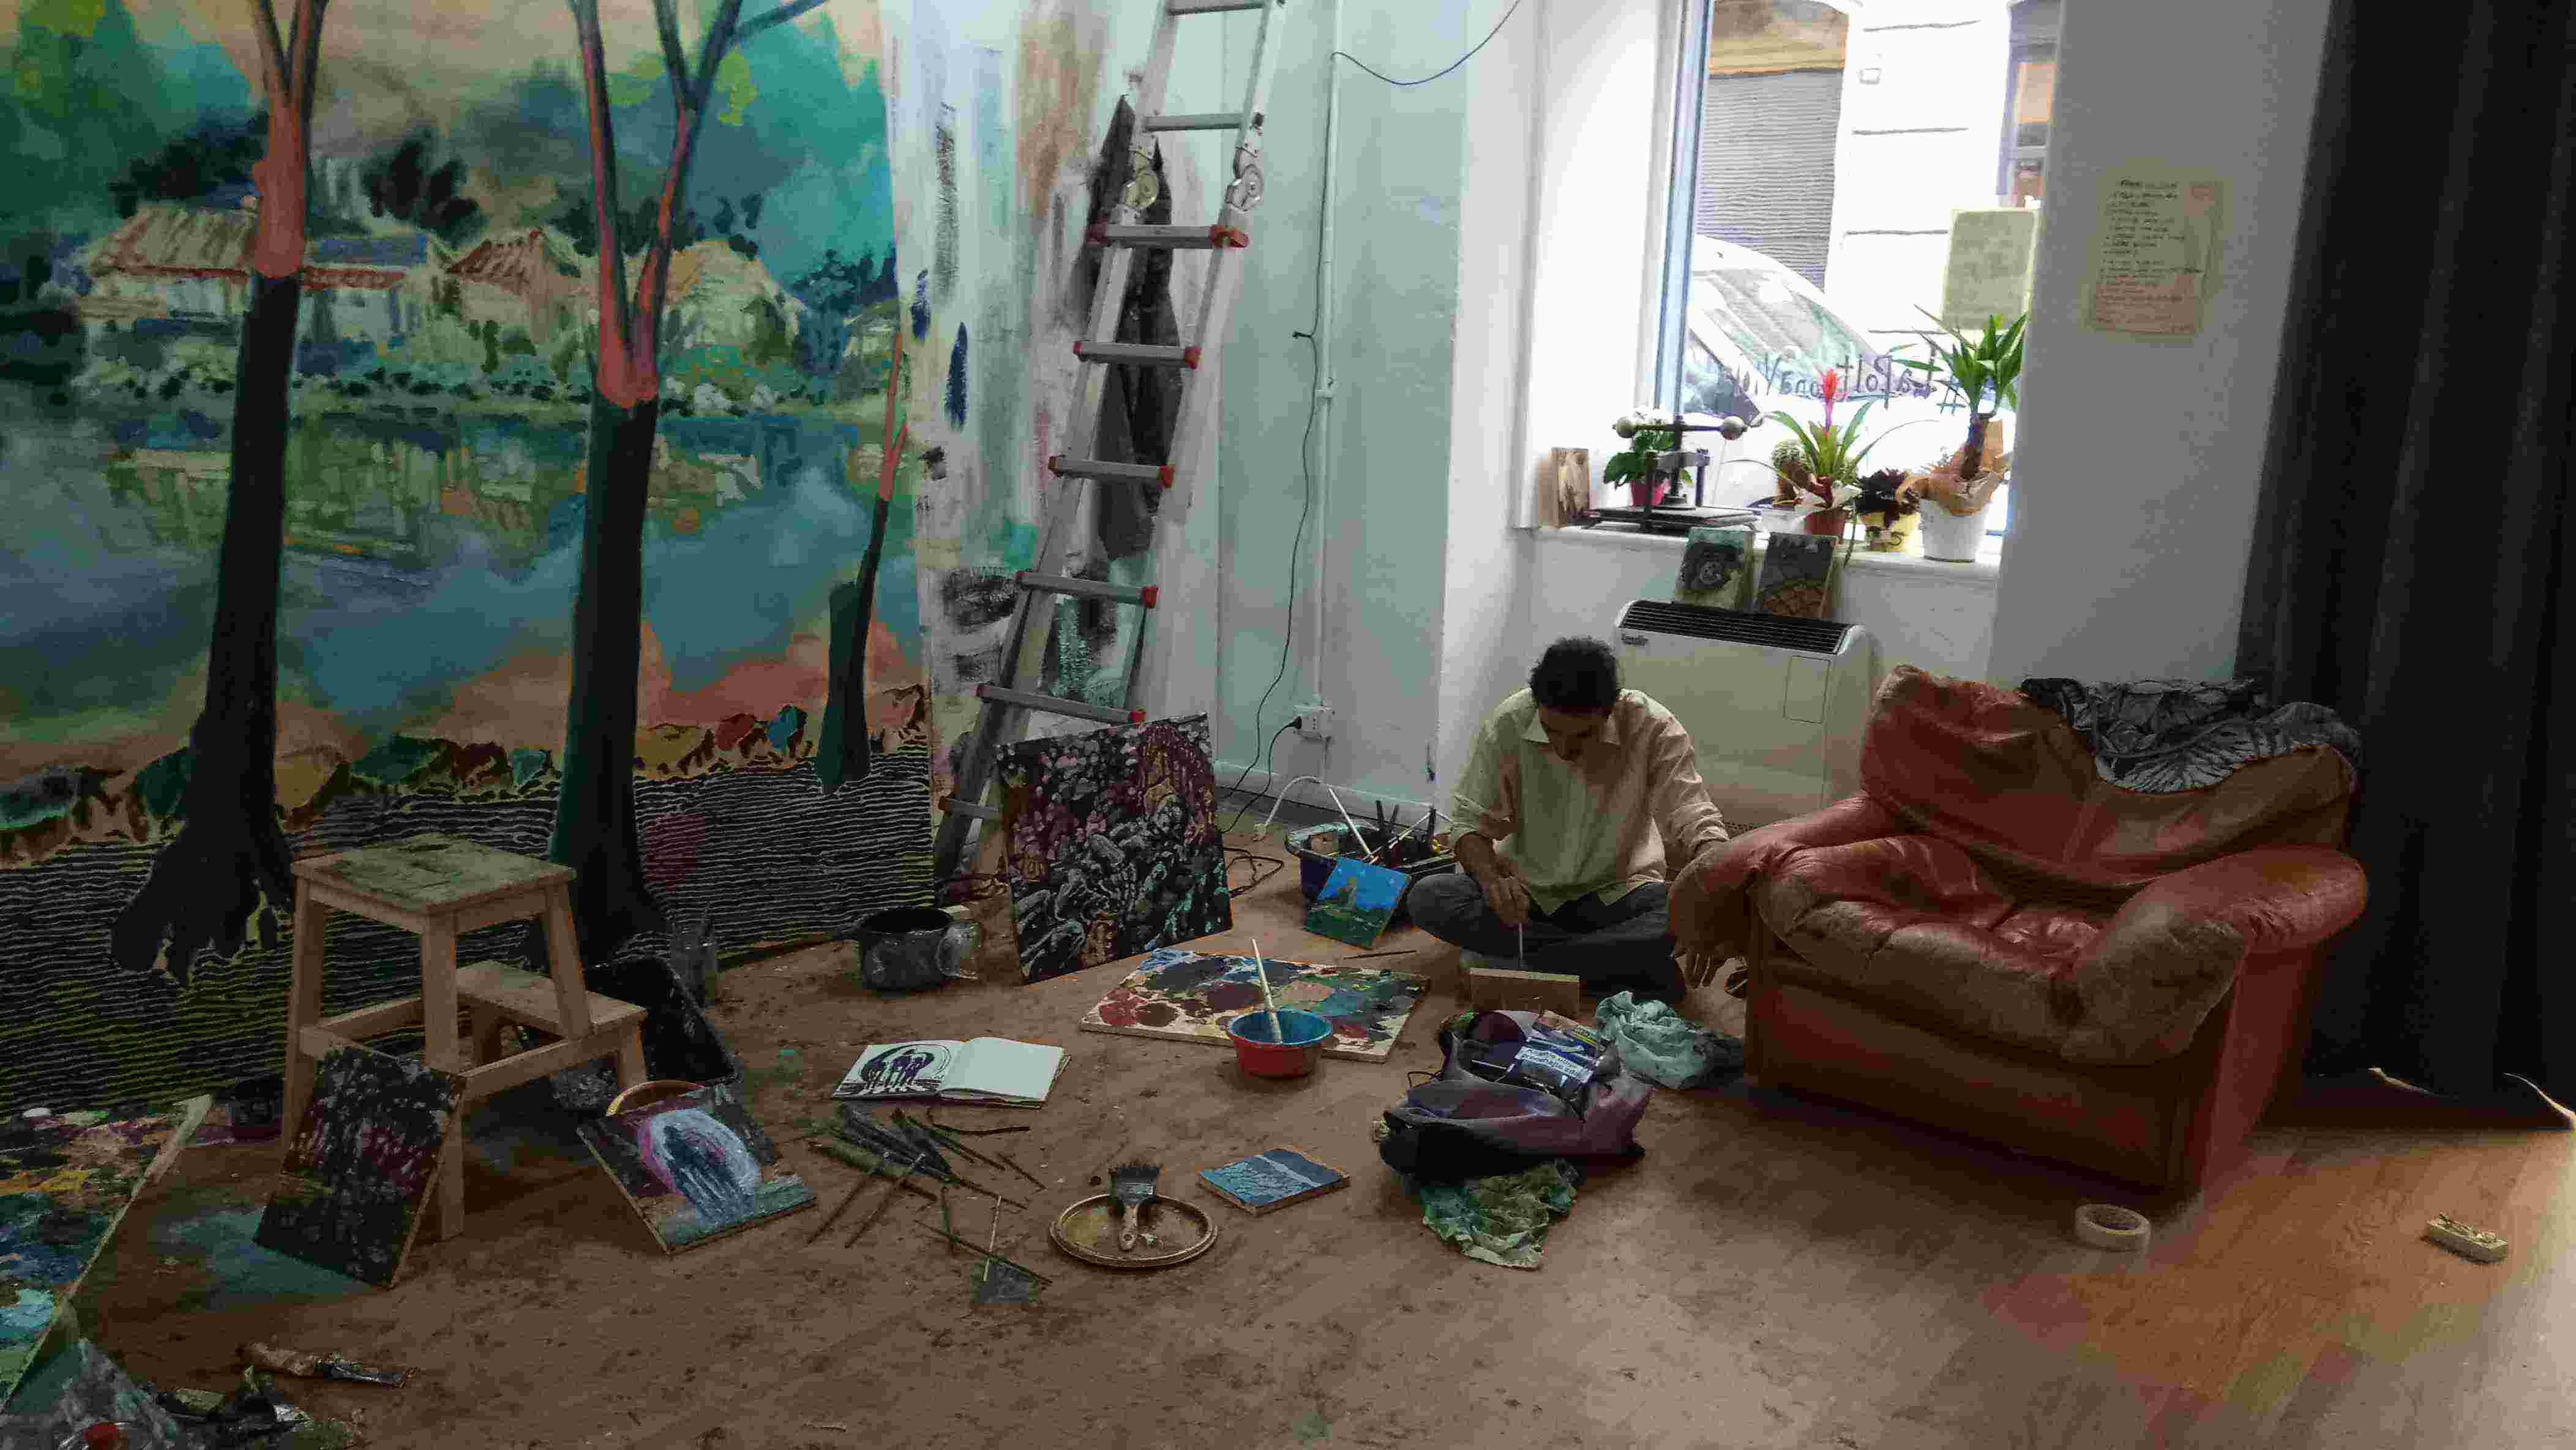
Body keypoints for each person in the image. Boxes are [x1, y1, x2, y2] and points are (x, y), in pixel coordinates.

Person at [1409, 636, 1732, 1004]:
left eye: (1583, 735)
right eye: (1551, 732)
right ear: (1537, 706)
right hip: (1527, 897)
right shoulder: (1510, 721)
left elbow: (1691, 811)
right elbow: (1469, 821)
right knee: (1428, 897)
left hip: (1620, 894)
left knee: (1678, 917)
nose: (1564, 749)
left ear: (1611, 710)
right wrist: (1492, 881)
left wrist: (1718, 885)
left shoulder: (1653, 726)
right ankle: (1612, 967)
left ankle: (1526, 967)